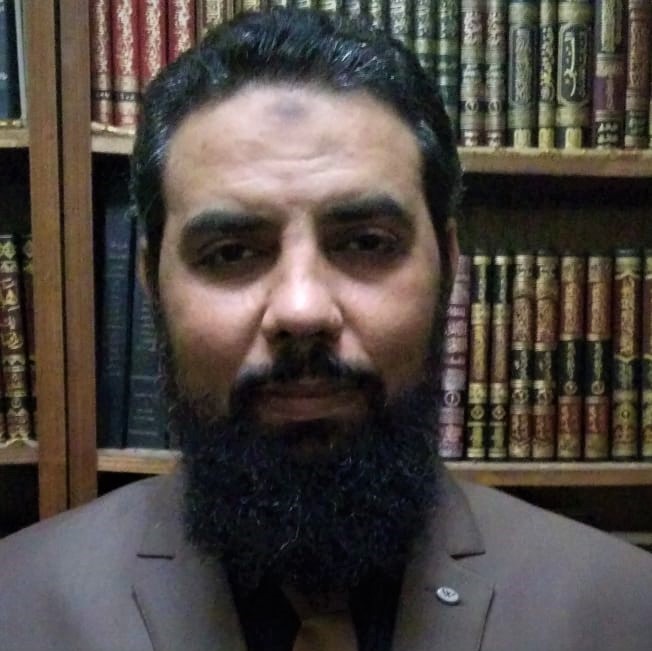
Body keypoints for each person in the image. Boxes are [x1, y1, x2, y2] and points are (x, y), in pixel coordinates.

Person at [1, 9, 651, 651]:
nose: (302, 310)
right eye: (231, 252)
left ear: (450, 266)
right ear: (150, 279)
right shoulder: (16, 604)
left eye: (366, 242)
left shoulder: (625, 610)